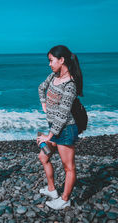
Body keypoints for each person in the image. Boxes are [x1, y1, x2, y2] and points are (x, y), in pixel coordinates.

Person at [37, 45, 83, 210]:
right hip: (54, 127)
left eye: (51, 60)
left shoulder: (70, 85)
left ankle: (65, 199)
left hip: (65, 130)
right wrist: (44, 103)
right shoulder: (53, 76)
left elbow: (63, 115)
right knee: (44, 157)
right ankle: (52, 190)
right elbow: (41, 87)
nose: (49, 64)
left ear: (61, 60)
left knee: (68, 167)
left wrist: (49, 136)